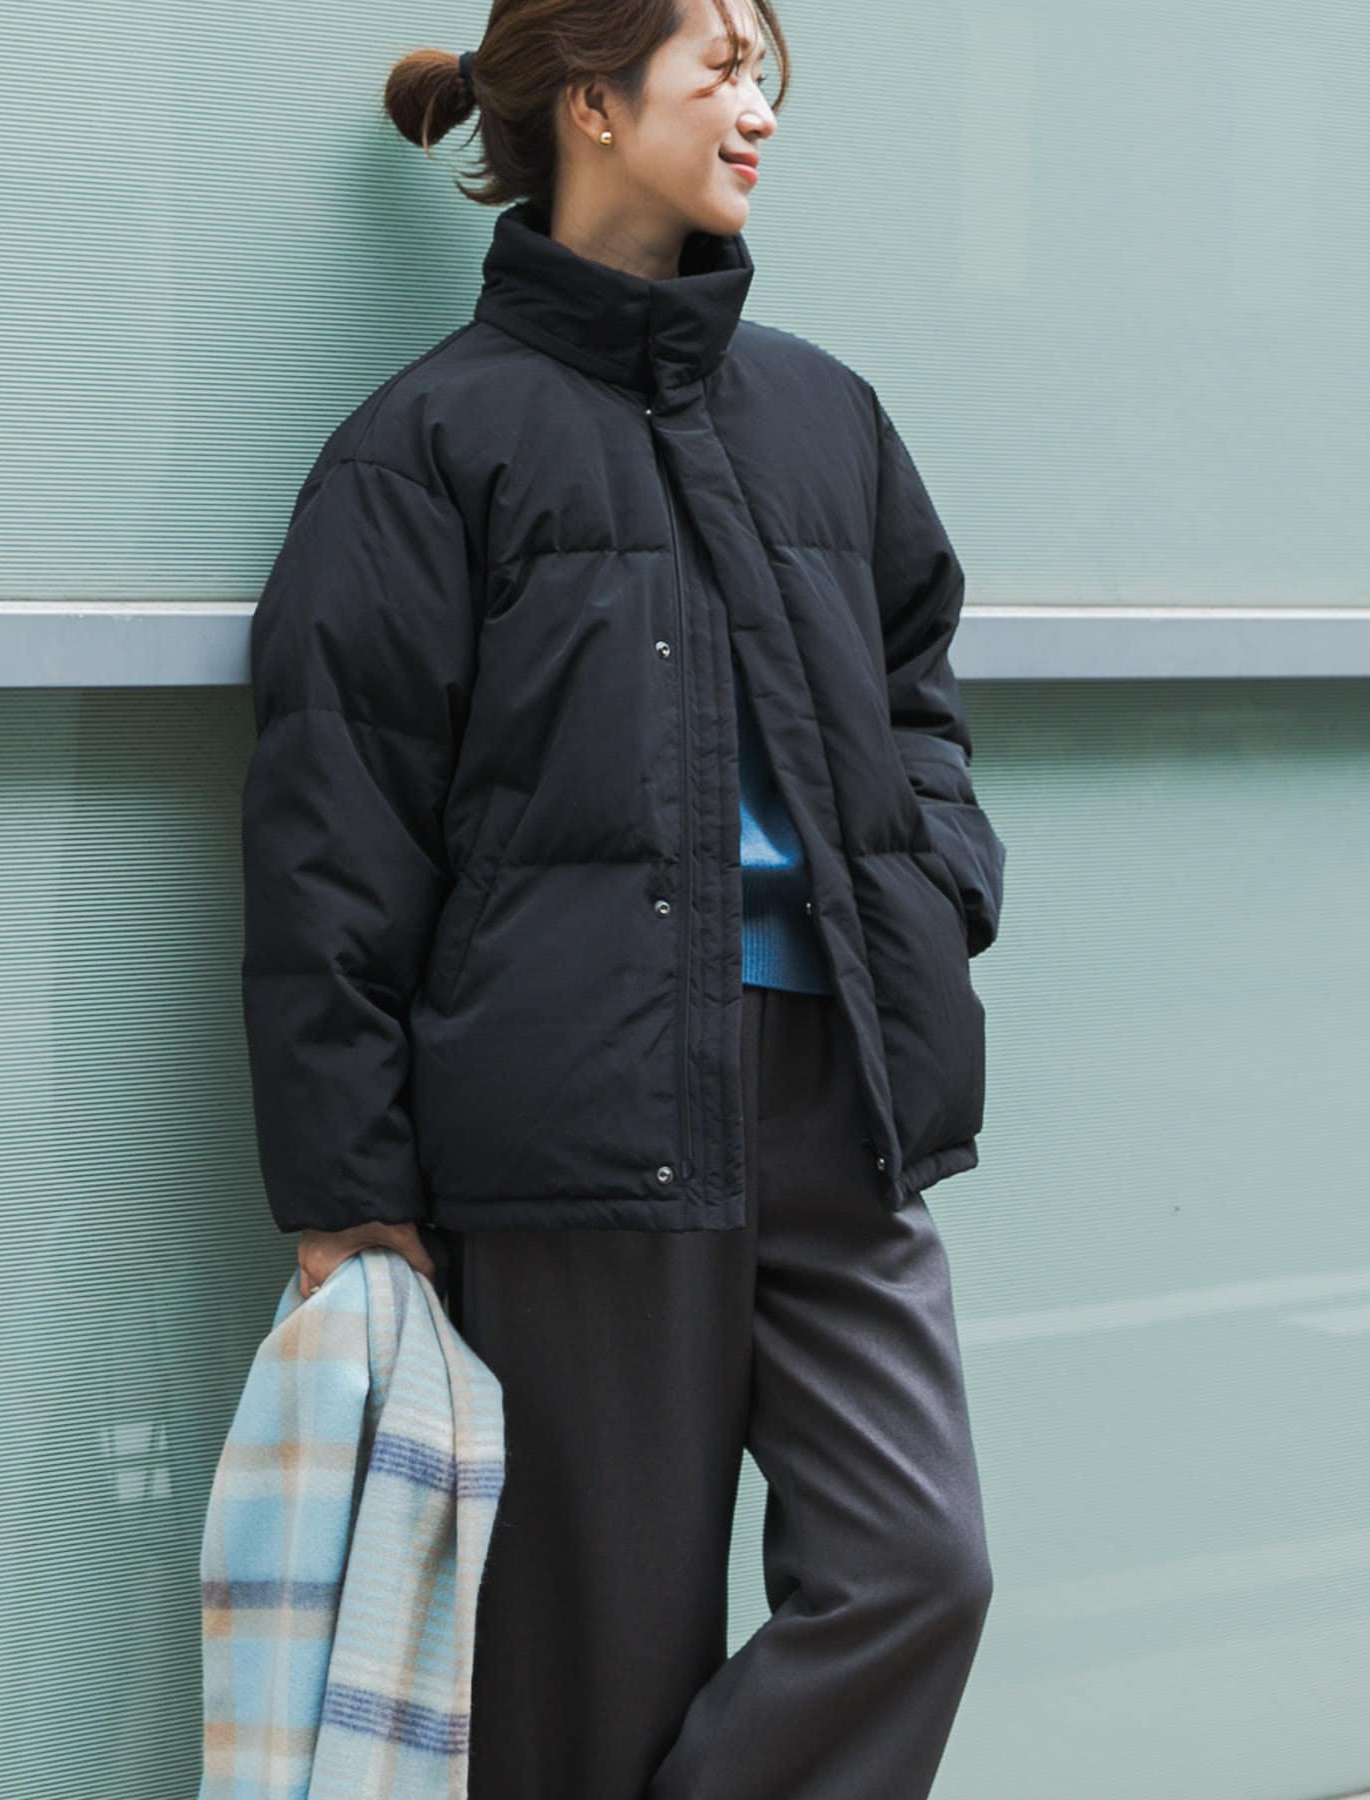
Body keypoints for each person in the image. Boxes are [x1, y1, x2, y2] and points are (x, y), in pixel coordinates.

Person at [239, 0, 1008, 1793]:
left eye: (763, 74)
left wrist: (936, 880)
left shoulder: (823, 414)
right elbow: (334, 823)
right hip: (581, 1113)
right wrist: (347, 1180)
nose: (759, 110)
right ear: (593, 104)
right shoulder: (431, 443)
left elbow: (919, 695)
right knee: (596, 1668)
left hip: (841, 1091)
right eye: (718, 69)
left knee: (920, 1568)